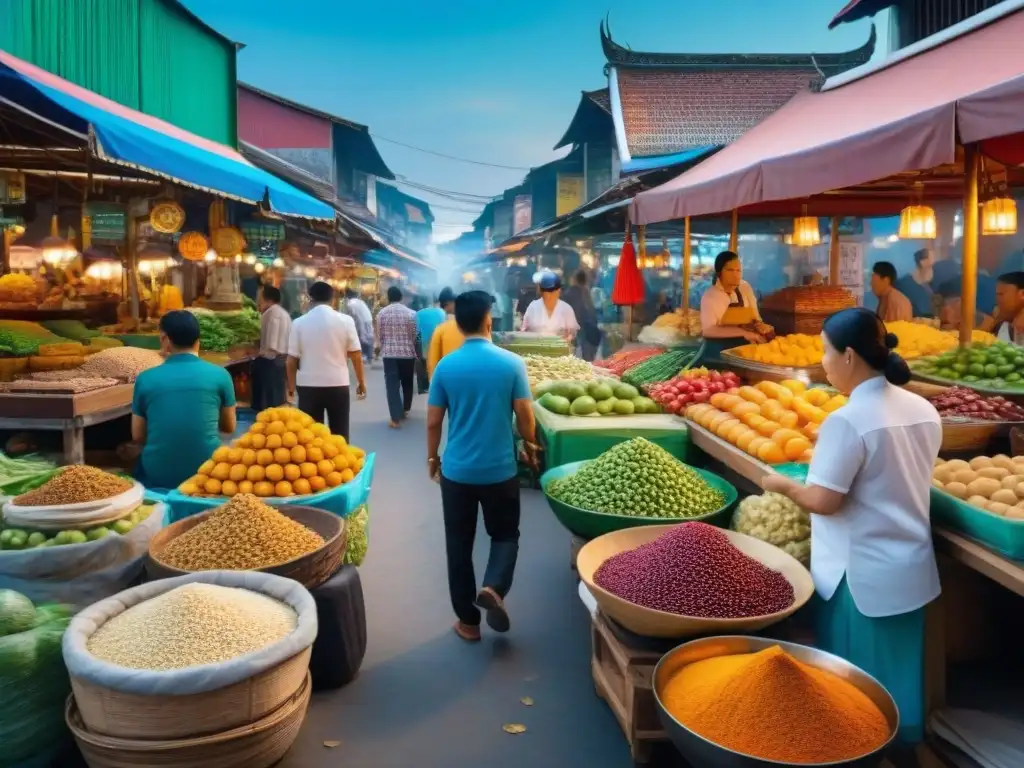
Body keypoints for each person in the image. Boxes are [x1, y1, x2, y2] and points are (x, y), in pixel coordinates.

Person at [762, 307, 939, 749]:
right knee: (898, 684)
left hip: (856, 579)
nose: (821, 360)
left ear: (849, 356)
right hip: (908, 569)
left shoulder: (846, 419)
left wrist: (781, 484)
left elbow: (823, 500)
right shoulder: (921, 408)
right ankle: (899, 750)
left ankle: (856, 753)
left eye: (825, 351)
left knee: (852, 696)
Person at [427, 290, 540, 642]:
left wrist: (432, 457)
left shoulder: (446, 366)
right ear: (489, 321)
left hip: (457, 472)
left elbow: (433, 421)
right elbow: (525, 414)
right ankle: (494, 586)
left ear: (457, 324)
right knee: (505, 534)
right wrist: (530, 445)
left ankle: (468, 622)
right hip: (500, 470)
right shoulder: (511, 363)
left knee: (458, 544)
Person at [131, 311, 237, 490]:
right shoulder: (221, 375)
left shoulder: (146, 378)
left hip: (159, 472)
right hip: (208, 471)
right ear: (198, 340)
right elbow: (229, 427)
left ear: (165, 340)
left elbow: (138, 436)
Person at [287, 281, 366, 442]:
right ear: (333, 298)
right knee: (340, 434)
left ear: (310, 298)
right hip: (338, 384)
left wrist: (290, 388)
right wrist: (361, 382)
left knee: (311, 438)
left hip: (308, 387)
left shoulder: (298, 323)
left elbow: (290, 361)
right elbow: (356, 355)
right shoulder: (346, 321)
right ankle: (341, 466)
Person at [699, 251, 773, 359]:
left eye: (738, 270)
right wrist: (744, 333)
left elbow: (755, 317)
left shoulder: (745, 287)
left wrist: (761, 326)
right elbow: (708, 330)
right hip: (718, 352)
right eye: (730, 270)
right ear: (719, 272)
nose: (736, 274)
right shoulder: (710, 296)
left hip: (745, 350)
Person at [377, 285, 419, 428]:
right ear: (401, 297)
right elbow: (414, 334)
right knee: (407, 381)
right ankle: (406, 409)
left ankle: (395, 418)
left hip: (389, 354)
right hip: (407, 353)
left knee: (392, 384)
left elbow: (380, 335)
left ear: (388, 297)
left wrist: (383, 347)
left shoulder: (381, 314)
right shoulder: (412, 314)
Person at [251, 285, 291, 411]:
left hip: (270, 361)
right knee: (277, 397)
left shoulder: (271, 313)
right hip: (281, 360)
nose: (258, 300)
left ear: (267, 299)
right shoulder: (283, 313)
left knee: (268, 400)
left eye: (260, 297)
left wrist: (259, 352)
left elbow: (272, 342)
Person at [521, 271, 579, 341]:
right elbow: (524, 330)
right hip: (537, 348)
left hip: (559, 349)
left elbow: (572, 333)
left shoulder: (566, 308)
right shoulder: (533, 307)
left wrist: (566, 338)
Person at [562, 270, 601, 361]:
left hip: (576, 327)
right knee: (587, 354)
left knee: (574, 353)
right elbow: (593, 310)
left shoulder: (570, 293)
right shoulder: (588, 292)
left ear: (574, 280)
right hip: (589, 328)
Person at [416, 290, 448, 394]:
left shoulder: (418, 313)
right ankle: (435, 384)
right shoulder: (441, 312)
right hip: (437, 340)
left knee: (422, 363)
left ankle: (422, 387)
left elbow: (415, 330)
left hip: (422, 341)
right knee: (436, 362)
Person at [427, 288, 464, 378]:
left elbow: (432, 361)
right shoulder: (472, 323)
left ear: (452, 302)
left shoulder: (442, 328)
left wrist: (433, 382)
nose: (445, 309)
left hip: (449, 375)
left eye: (445, 305)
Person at [979, 271, 1024, 344]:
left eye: (1001, 294)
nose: (997, 300)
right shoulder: (998, 326)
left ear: (1022, 294)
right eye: (997, 295)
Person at [895, 248, 936, 318]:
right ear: (922, 262)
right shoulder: (903, 284)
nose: (933, 269)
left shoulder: (929, 287)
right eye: (931, 266)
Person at [344, 288, 374, 364]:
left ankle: (364, 357)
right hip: (368, 320)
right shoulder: (360, 302)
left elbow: (352, 317)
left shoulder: (350, 304)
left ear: (347, 296)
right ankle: (368, 357)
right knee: (368, 338)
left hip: (362, 322)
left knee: (362, 338)